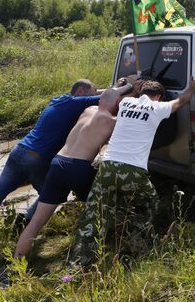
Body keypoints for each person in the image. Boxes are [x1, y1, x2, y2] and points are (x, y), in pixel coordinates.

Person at [0, 79, 103, 258]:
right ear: (81, 91)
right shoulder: (75, 102)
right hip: (37, 158)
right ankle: (23, 227)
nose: (93, 97)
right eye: (91, 93)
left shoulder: (60, 100)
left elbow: (99, 93)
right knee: (49, 196)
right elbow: (104, 98)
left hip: (19, 150)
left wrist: (102, 89)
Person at [69, 76, 195, 266]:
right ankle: (134, 246)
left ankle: (78, 262)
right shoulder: (159, 108)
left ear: (140, 93)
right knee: (150, 204)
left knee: (95, 214)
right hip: (132, 170)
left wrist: (129, 83)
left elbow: (122, 94)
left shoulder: (126, 102)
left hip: (107, 166)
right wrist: (192, 87)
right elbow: (182, 100)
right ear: (158, 97)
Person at [11, 89, 121, 261]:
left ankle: (13, 266)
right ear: (117, 105)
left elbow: (106, 100)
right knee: (102, 207)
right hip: (79, 167)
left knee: (37, 221)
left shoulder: (87, 110)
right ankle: (100, 249)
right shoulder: (113, 121)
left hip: (57, 164)